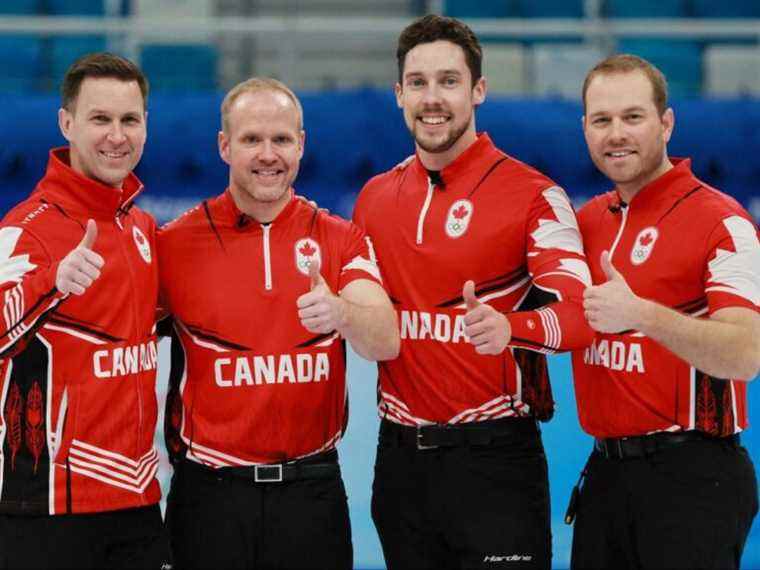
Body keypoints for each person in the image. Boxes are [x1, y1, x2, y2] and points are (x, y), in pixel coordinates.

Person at [352, 14, 595, 570]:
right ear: (398, 94)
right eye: (418, 83)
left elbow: (581, 313)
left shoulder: (534, 195)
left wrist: (514, 327)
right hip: (399, 465)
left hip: (496, 463)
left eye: (448, 81)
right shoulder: (374, 197)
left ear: (478, 90)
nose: (432, 98)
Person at [158, 77, 399, 570]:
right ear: (225, 146)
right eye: (251, 139)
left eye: (282, 140)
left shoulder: (339, 237)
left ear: (301, 145)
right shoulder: (173, 245)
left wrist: (343, 313)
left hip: (310, 496)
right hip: (209, 498)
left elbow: (385, 340)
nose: (268, 154)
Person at [569, 54, 760, 570]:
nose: (617, 134)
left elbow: (745, 353)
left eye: (633, 117)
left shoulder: (723, 222)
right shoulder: (583, 223)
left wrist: (644, 315)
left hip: (694, 478)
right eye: (602, 120)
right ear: (584, 128)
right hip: (606, 477)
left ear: (666, 123)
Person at [0, 53, 167, 569]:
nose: (117, 136)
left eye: (129, 120)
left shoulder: (142, 227)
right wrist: (53, 283)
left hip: (138, 503)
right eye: (100, 119)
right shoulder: (28, 226)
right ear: (66, 123)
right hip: (47, 513)